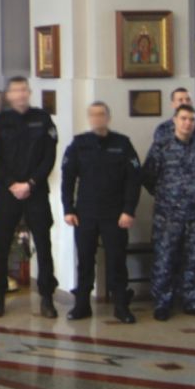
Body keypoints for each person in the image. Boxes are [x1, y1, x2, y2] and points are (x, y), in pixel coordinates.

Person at [0, 77, 60, 319]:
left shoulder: (42, 119)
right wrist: (11, 184)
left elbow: (49, 158)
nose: (20, 94)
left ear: (28, 93)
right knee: (2, 245)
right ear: (9, 95)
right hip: (8, 192)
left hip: (36, 191)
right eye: (15, 91)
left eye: (23, 90)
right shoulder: (1, 121)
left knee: (44, 244)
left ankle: (47, 298)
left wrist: (30, 183)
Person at [61, 103, 142, 323]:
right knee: (85, 260)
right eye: (93, 115)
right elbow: (67, 177)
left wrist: (128, 210)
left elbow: (134, 180)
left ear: (108, 117)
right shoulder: (79, 144)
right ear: (89, 118)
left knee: (117, 260)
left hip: (115, 214)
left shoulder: (122, 144)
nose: (97, 119)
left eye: (101, 115)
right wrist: (68, 208)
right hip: (85, 213)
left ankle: (121, 306)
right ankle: (82, 305)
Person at [142, 104, 195, 321]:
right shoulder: (161, 146)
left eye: (191, 119)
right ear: (174, 120)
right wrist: (165, 196)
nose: (187, 123)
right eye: (183, 118)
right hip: (168, 215)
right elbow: (147, 176)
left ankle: (192, 301)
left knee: (193, 259)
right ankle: (162, 302)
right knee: (165, 258)